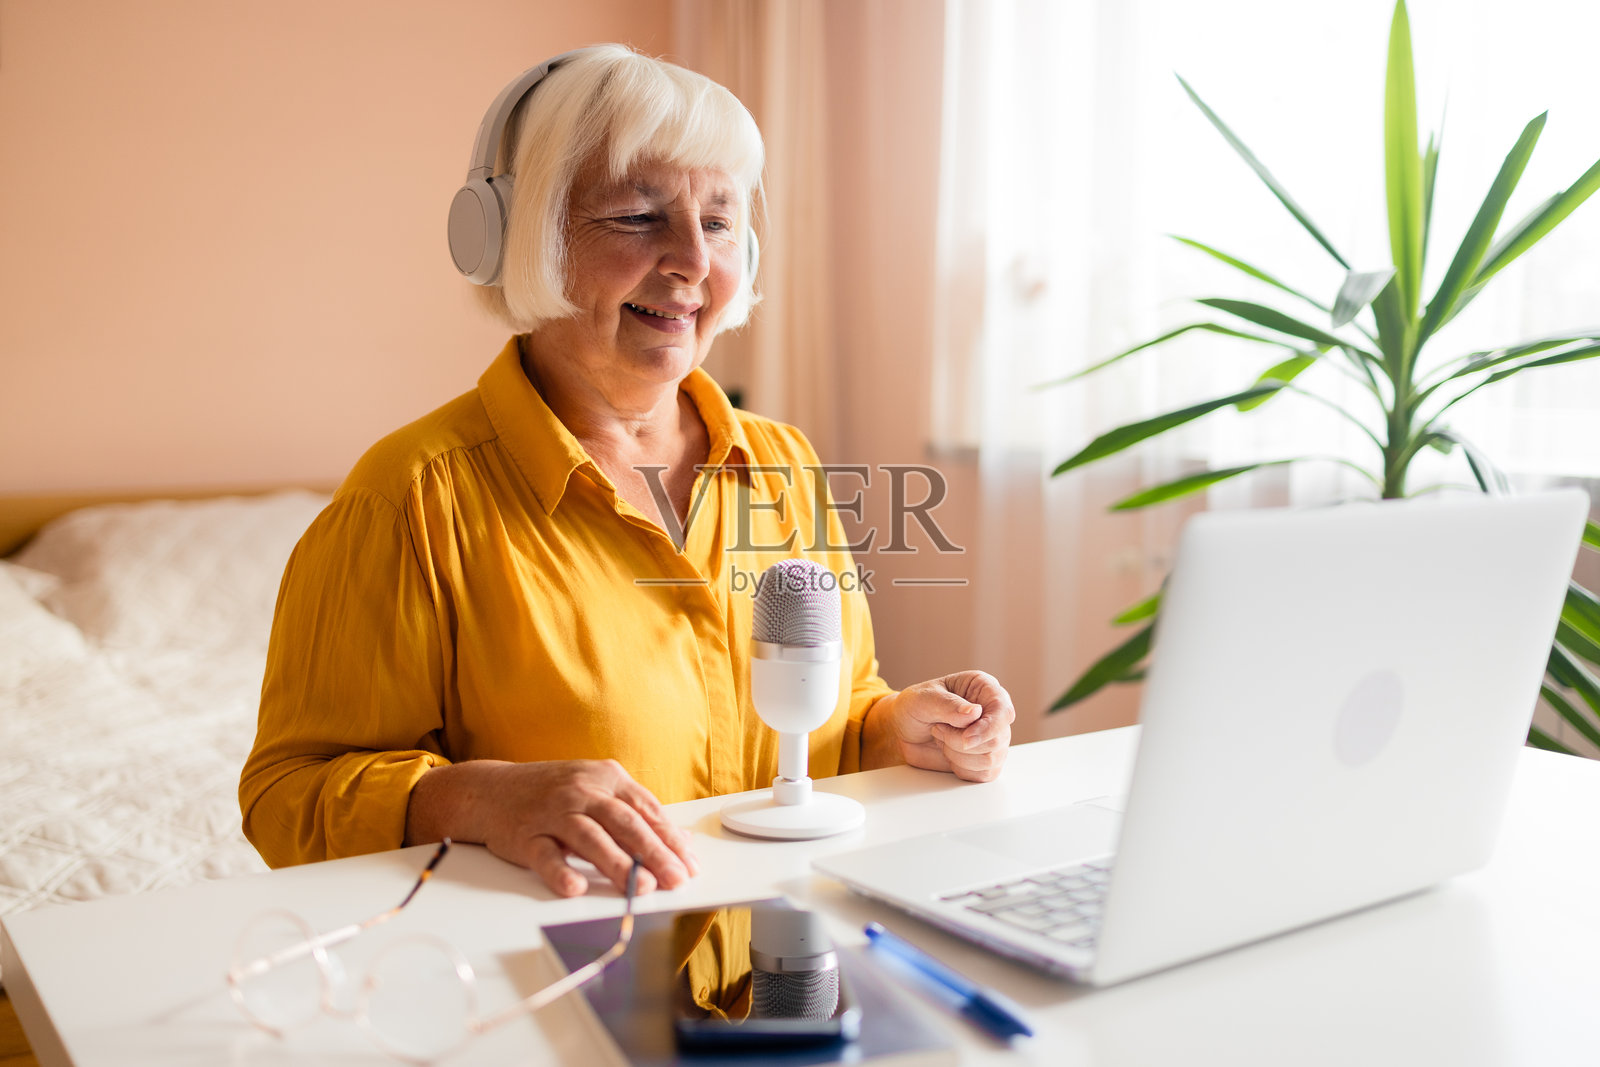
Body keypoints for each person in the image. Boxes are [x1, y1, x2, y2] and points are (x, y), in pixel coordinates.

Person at [239, 44, 1013, 900]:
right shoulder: (411, 498)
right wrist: (477, 796)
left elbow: (833, 718)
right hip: (570, 988)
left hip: (790, 967)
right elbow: (288, 796)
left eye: (719, 222)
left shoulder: (783, 463)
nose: (692, 258)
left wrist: (901, 727)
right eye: (640, 217)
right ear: (519, 237)